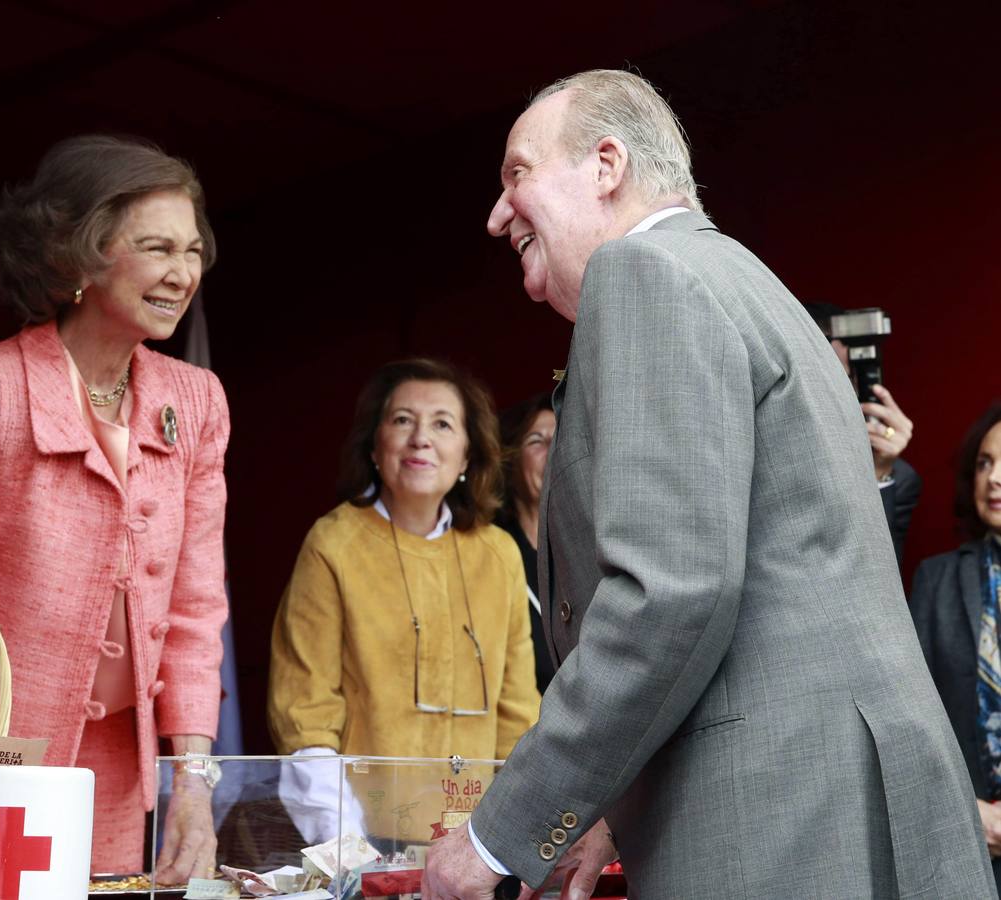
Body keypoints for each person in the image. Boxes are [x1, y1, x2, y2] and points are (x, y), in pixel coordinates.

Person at [423, 69, 993, 899]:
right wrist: (607, 809)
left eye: (517, 175)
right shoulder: (748, 283)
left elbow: (668, 594)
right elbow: (775, 588)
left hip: (778, 818)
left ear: (606, 165)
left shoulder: (642, 273)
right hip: (840, 808)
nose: (496, 213)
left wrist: (499, 835)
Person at [0, 135, 229, 881]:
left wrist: (193, 782)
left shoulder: (195, 401)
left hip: (111, 784)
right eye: (156, 247)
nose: (182, 273)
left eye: (192, 250)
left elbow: (195, 610)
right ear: (79, 255)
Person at [268, 358, 540, 763]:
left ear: (467, 455)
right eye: (402, 420)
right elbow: (306, 706)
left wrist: (502, 824)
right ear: (375, 446)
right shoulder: (334, 542)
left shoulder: (498, 554)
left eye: (442, 424)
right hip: (358, 818)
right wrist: (340, 826)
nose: (420, 439)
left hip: (475, 821)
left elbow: (517, 713)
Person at [910, 402, 1001, 889]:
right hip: (967, 848)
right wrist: (969, 812)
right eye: (985, 462)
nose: (995, 478)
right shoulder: (938, 578)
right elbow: (912, 714)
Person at [803, 301, 921, 564]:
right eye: (825, 377)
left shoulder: (897, 478)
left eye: (848, 380)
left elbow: (879, 578)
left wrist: (877, 473)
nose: (838, 393)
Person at [495, 393, 556, 693]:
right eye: (536, 441)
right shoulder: (491, 551)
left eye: (560, 439)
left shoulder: (594, 548)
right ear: (509, 458)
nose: (553, 450)